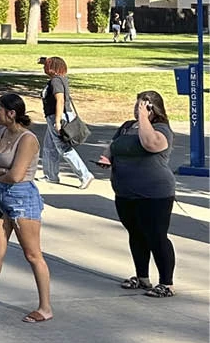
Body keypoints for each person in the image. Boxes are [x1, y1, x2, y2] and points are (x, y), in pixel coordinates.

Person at [0, 93, 53, 323]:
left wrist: (0, 173)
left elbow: (18, 175)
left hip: (23, 199)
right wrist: (2, 173)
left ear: (12, 113)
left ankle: (45, 306)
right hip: (0, 195)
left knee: (32, 254)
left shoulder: (27, 139)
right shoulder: (0, 134)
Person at [99, 91, 177, 298]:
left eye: (142, 106)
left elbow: (149, 143)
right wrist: (106, 158)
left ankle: (166, 284)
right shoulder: (127, 127)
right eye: (136, 106)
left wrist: (144, 118)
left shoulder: (161, 130)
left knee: (156, 236)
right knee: (136, 234)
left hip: (154, 194)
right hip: (125, 192)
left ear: (153, 109)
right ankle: (142, 277)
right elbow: (113, 145)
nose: (136, 110)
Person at [39, 56, 94, 188]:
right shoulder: (59, 79)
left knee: (63, 148)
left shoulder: (56, 82)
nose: (44, 68)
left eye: (46, 66)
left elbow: (60, 100)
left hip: (57, 117)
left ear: (52, 68)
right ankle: (51, 175)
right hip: (53, 117)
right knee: (49, 146)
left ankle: (84, 174)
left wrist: (57, 121)